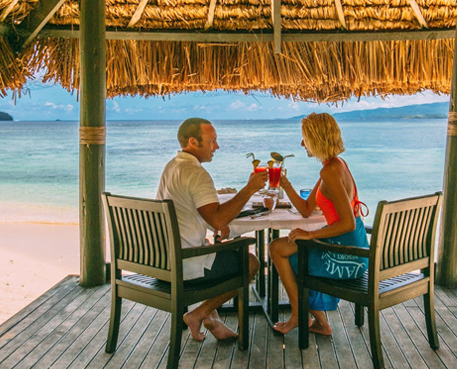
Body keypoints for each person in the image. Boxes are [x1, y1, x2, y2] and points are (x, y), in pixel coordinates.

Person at [156, 117, 268, 342]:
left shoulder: (172, 167)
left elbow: (194, 211)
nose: (217, 146)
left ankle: (211, 317)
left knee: (217, 248)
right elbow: (217, 221)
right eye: (212, 141)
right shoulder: (196, 173)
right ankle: (198, 314)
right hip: (185, 265)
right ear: (193, 142)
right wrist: (249, 189)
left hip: (162, 261)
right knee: (250, 262)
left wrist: (217, 223)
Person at [269, 112, 369, 335]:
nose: (302, 143)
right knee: (280, 247)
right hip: (355, 247)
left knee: (278, 248)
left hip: (348, 254)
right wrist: (285, 185)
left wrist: (309, 235)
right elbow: (306, 209)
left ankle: (298, 315)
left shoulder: (331, 170)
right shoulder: (334, 165)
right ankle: (318, 322)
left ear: (317, 138)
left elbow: (348, 224)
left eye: (305, 138)